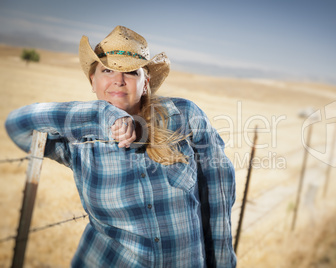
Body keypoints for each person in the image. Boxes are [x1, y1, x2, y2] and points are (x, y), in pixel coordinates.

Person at [5, 25, 236, 267]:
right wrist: (102, 115)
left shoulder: (184, 115)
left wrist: (222, 262)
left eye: (131, 72)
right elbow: (17, 124)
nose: (118, 81)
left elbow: (218, 195)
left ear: (145, 82)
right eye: (107, 70)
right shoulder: (79, 140)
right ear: (93, 81)